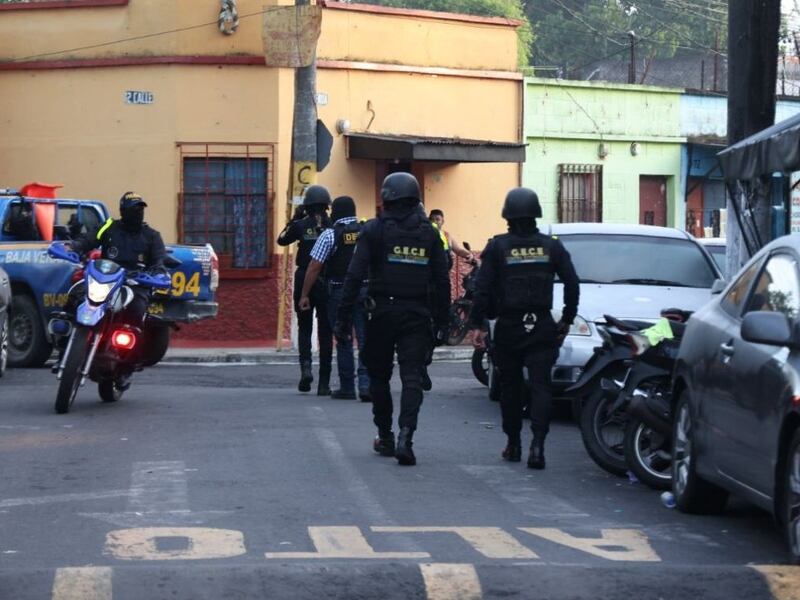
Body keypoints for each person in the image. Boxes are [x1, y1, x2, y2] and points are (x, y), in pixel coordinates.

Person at [335, 173, 450, 466]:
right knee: (412, 377)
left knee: (379, 377)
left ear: (386, 197)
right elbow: (442, 280)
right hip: (417, 315)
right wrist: (443, 321)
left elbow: (354, 275)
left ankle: (386, 436)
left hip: (382, 314)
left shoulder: (374, 230)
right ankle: (406, 437)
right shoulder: (429, 234)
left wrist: (343, 317)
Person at [468, 188, 579, 470]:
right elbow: (572, 282)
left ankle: (513, 443)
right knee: (541, 387)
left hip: (509, 326)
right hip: (542, 325)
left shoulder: (498, 247)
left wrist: (478, 325)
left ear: (507, 216)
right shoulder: (551, 246)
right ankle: (538, 446)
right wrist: (567, 319)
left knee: (510, 387)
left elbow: (482, 288)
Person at [298, 196, 370, 401]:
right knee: (365, 339)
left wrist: (304, 294)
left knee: (343, 338)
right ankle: (366, 385)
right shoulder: (366, 232)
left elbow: (314, 266)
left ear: (336, 212)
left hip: (339, 292)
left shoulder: (330, 234)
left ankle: (347, 387)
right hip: (364, 290)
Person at [70, 191, 166, 328]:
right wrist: (74, 247)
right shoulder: (109, 226)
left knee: (136, 308)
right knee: (75, 295)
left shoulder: (152, 236)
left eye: (140, 209)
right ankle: (65, 333)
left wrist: (158, 273)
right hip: (103, 280)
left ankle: (130, 338)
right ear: (123, 211)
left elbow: (158, 260)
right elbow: (89, 239)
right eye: (134, 209)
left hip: (134, 283)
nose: (138, 212)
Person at [277, 185, 334, 395]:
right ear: (326, 205)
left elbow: (282, 239)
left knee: (305, 326)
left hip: (304, 279)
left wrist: (295, 218)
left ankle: (306, 369)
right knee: (326, 330)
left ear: (307, 206)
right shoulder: (332, 225)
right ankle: (324, 383)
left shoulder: (300, 225)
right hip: (326, 278)